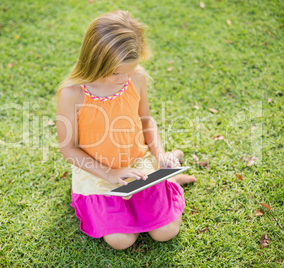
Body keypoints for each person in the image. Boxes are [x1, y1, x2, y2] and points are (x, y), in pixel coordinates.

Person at [55, 10, 197, 250]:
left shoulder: (136, 78)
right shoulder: (73, 94)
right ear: (95, 61)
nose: (124, 79)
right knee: (121, 241)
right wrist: (109, 174)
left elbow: (146, 120)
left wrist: (159, 152)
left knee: (165, 232)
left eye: (129, 70)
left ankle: (168, 177)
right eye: (116, 73)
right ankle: (169, 178)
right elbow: (69, 149)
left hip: (137, 165)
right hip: (99, 173)